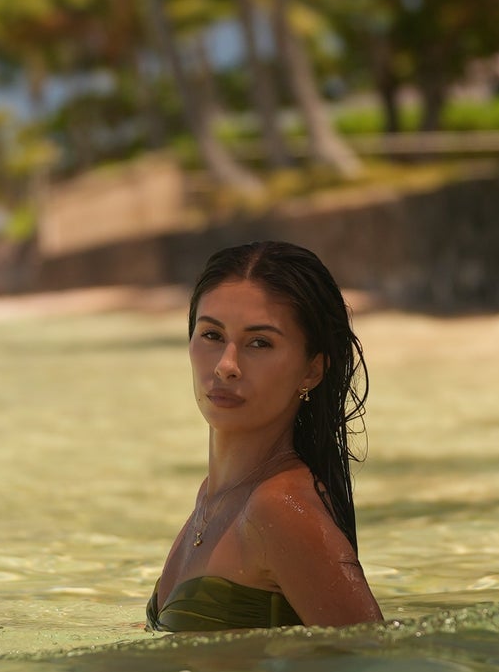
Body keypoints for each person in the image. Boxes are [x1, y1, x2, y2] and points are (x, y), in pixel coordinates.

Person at [147, 241, 383, 632]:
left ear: (311, 371)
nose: (226, 366)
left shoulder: (278, 509)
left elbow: (374, 656)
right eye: (211, 335)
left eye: (260, 342)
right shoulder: (214, 497)